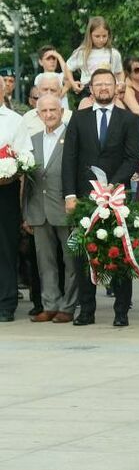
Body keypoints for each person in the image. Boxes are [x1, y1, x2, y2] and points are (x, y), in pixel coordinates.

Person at [61, 68, 139, 326]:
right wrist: (70, 195)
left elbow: (132, 157)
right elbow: (69, 158)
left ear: (117, 86)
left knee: (119, 252)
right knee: (84, 254)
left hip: (117, 198)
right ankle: (86, 310)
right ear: (91, 88)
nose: (104, 88)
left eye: (108, 83)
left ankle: (121, 312)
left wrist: (113, 186)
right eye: (99, 84)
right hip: (84, 199)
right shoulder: (78, 118)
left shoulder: (128, 120)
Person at [23, 94, 79, 324]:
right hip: (39, 210)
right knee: (45, 263)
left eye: (53, 110)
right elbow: (27, 180)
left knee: (71, 261)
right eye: (44, 111)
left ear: (61, 111)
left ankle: (68, 306)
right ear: (38, 114)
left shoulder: (72, 137)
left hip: (66, 209)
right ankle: (50, 304)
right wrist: (26, 213)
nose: (49, 115)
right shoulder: (32, 140)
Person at [0, 75, 34, 322]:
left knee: (5, 248)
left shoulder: (14, 120)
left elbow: (25, 155)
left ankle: (6, 303)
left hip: (5, 190)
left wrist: (11, 170)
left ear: (3, 91)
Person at [64, 17, 124, 104]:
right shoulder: (82, 52)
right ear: (90, 35)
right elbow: (68, 66)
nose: (101, 39)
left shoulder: (113, 53)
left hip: (109, 91)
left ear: (109, 35)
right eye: (97, 36)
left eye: (104, 36)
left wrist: (121, 83)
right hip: (88, 91)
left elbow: (119, 71)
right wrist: (73, 83)